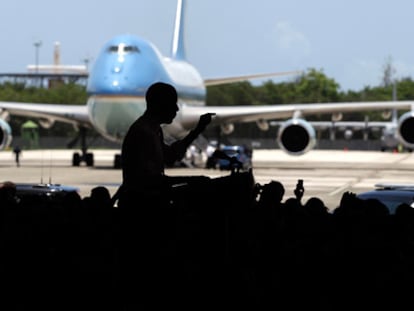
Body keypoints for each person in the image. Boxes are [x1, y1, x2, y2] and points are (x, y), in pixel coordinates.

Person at [117, 81, 214, 209]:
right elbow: (152, 181)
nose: (177, 109)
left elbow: (170, 156)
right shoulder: (144, 132)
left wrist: (197, 130)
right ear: (160, 105)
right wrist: (192, 180)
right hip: (140, 208)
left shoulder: (152, 129)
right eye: (173, 103)